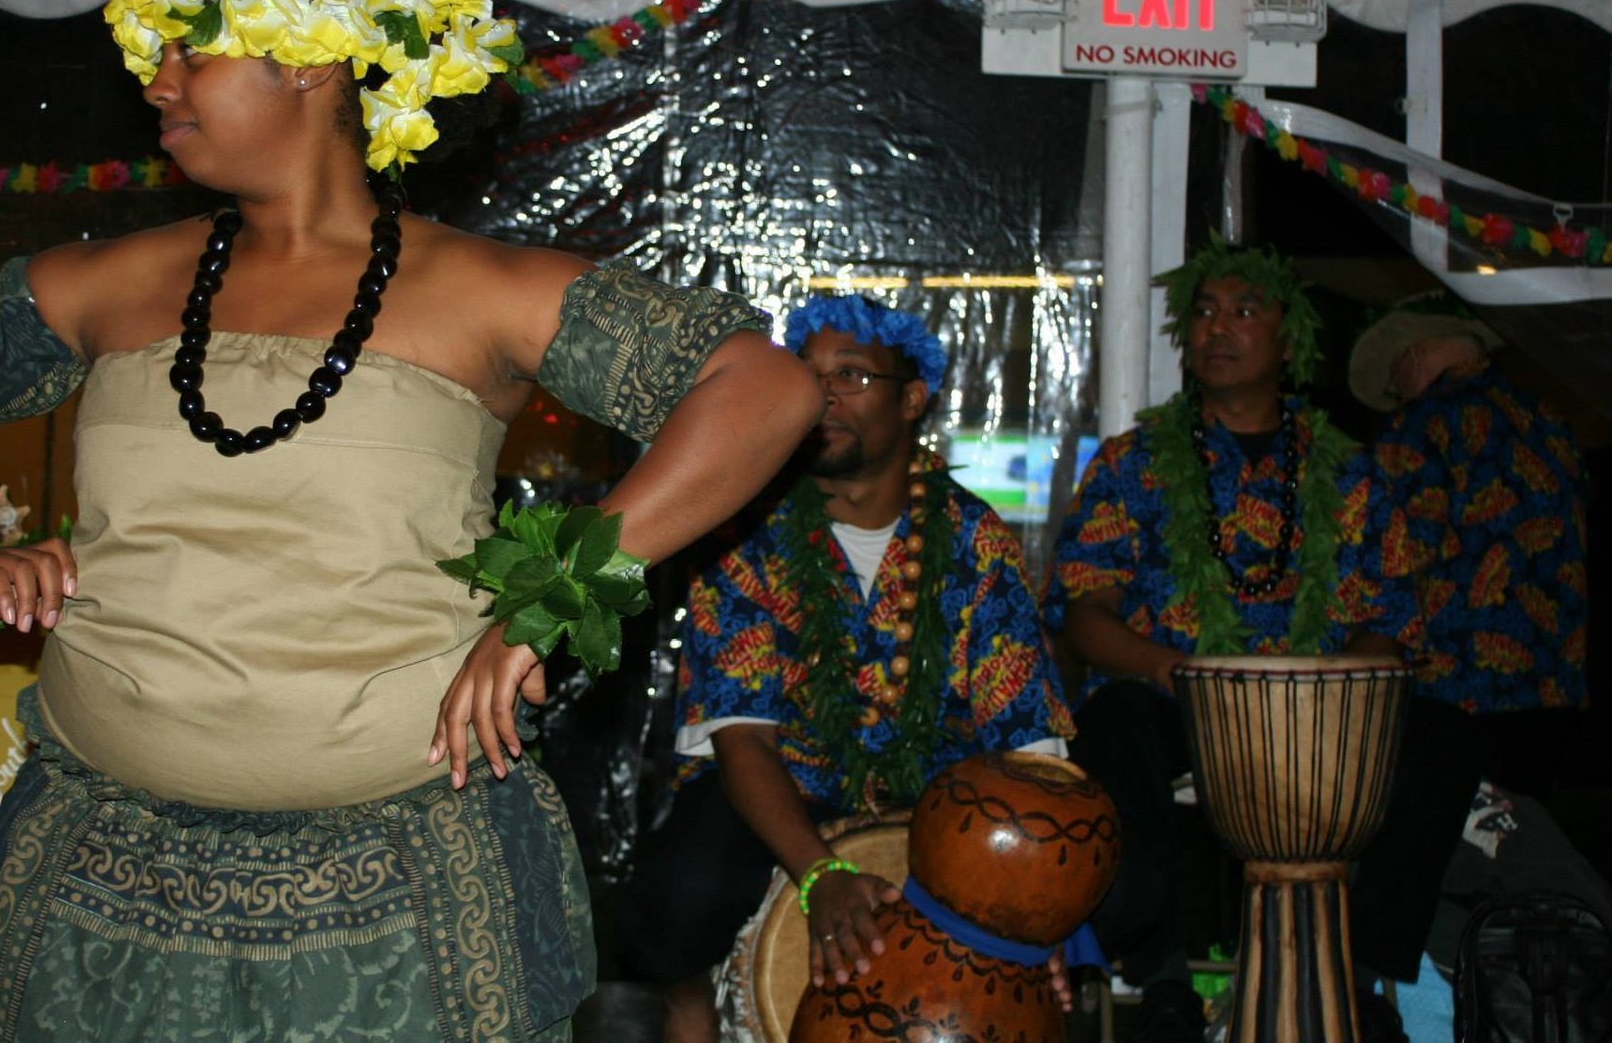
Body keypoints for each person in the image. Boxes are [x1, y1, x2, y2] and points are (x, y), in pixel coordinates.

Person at [0, 0, 825, 1043]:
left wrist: (556, 597)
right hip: (99, 881)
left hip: (399, 898)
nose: (158, 84)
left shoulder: (479, 288)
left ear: (306, 59)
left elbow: (759, 387)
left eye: (193, 52)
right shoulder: (117, 281)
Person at [1044, 241, 1475, 1043]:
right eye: (1204, 311)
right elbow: (1085, 612)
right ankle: (1163, 979)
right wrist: (1170, 667)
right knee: (1111, 722)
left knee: (1442, 735)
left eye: (1244, 311)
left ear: (1289, 341)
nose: (1218, 327)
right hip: (1175, 694)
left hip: (1318, 708)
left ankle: (1359, 972)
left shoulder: (1349, 471)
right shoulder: (1132, 463)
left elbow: (1390, 623)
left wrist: (1330, 680)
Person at [624, 295, 1075, 1043]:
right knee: (678, 897)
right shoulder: (745, 531)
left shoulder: (976, 539)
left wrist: (1035, 909)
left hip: (936, 793)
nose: (823, 394)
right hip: (781, 782)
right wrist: (821, 874)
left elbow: (1029, 746)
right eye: (809, 374)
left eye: (852, 375)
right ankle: (691, 1004)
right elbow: (742, 738)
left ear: (912, 400)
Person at [1350, 290, 1590, 797]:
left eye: (1395, 384)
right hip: (1555, 691)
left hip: (1454, 695)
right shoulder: (1551, 424)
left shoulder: (1416, 426)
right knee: (1530, 836)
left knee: (1452, 840)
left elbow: (1396, 559)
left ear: (1414, 356)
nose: (1397, 395)